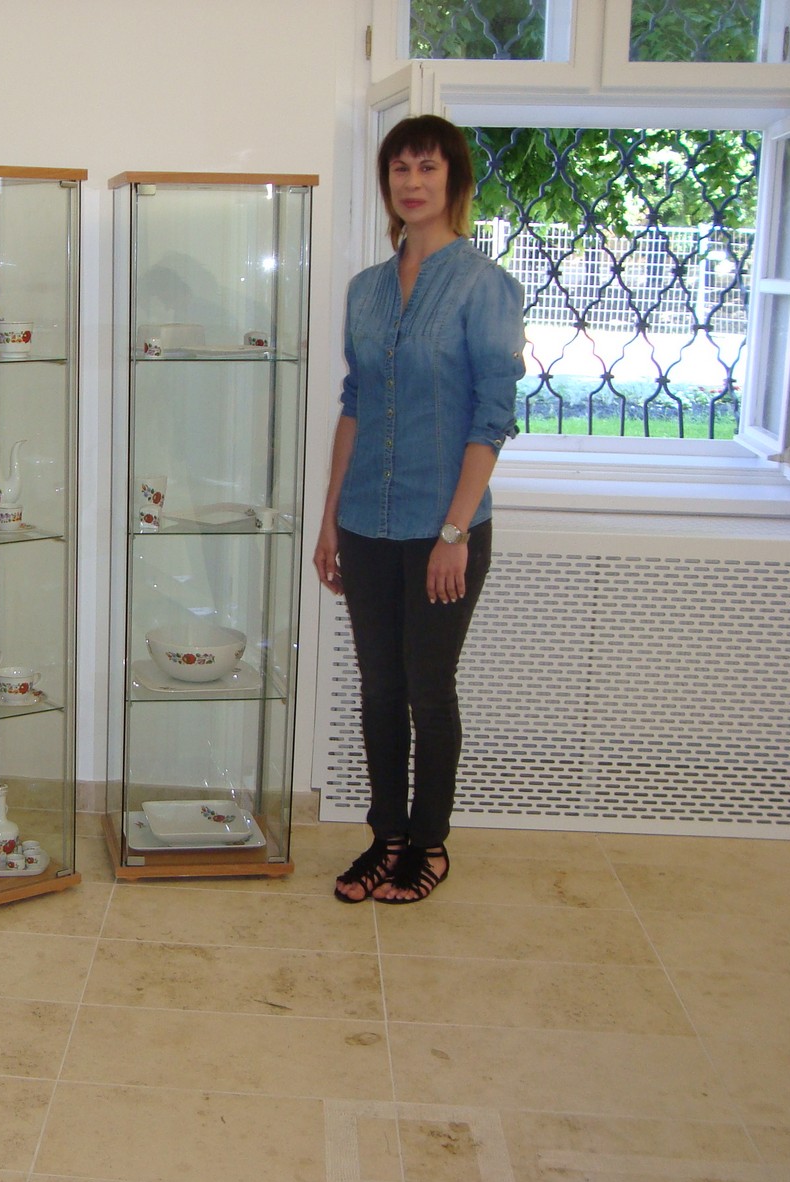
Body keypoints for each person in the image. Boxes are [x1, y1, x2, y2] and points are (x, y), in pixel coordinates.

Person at [314, 114, 524, 904]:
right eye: (399, 168)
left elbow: (491, 418)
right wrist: (331, 518)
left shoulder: (483, 286)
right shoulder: (365, 291)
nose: (412, 182)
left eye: (427, 167)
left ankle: (429, 844)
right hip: (366, 521)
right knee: (378, 688)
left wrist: (454, 531)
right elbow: (356, 406)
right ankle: (387, 837)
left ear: (453, 181)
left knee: (428, 689)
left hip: (445, 526)